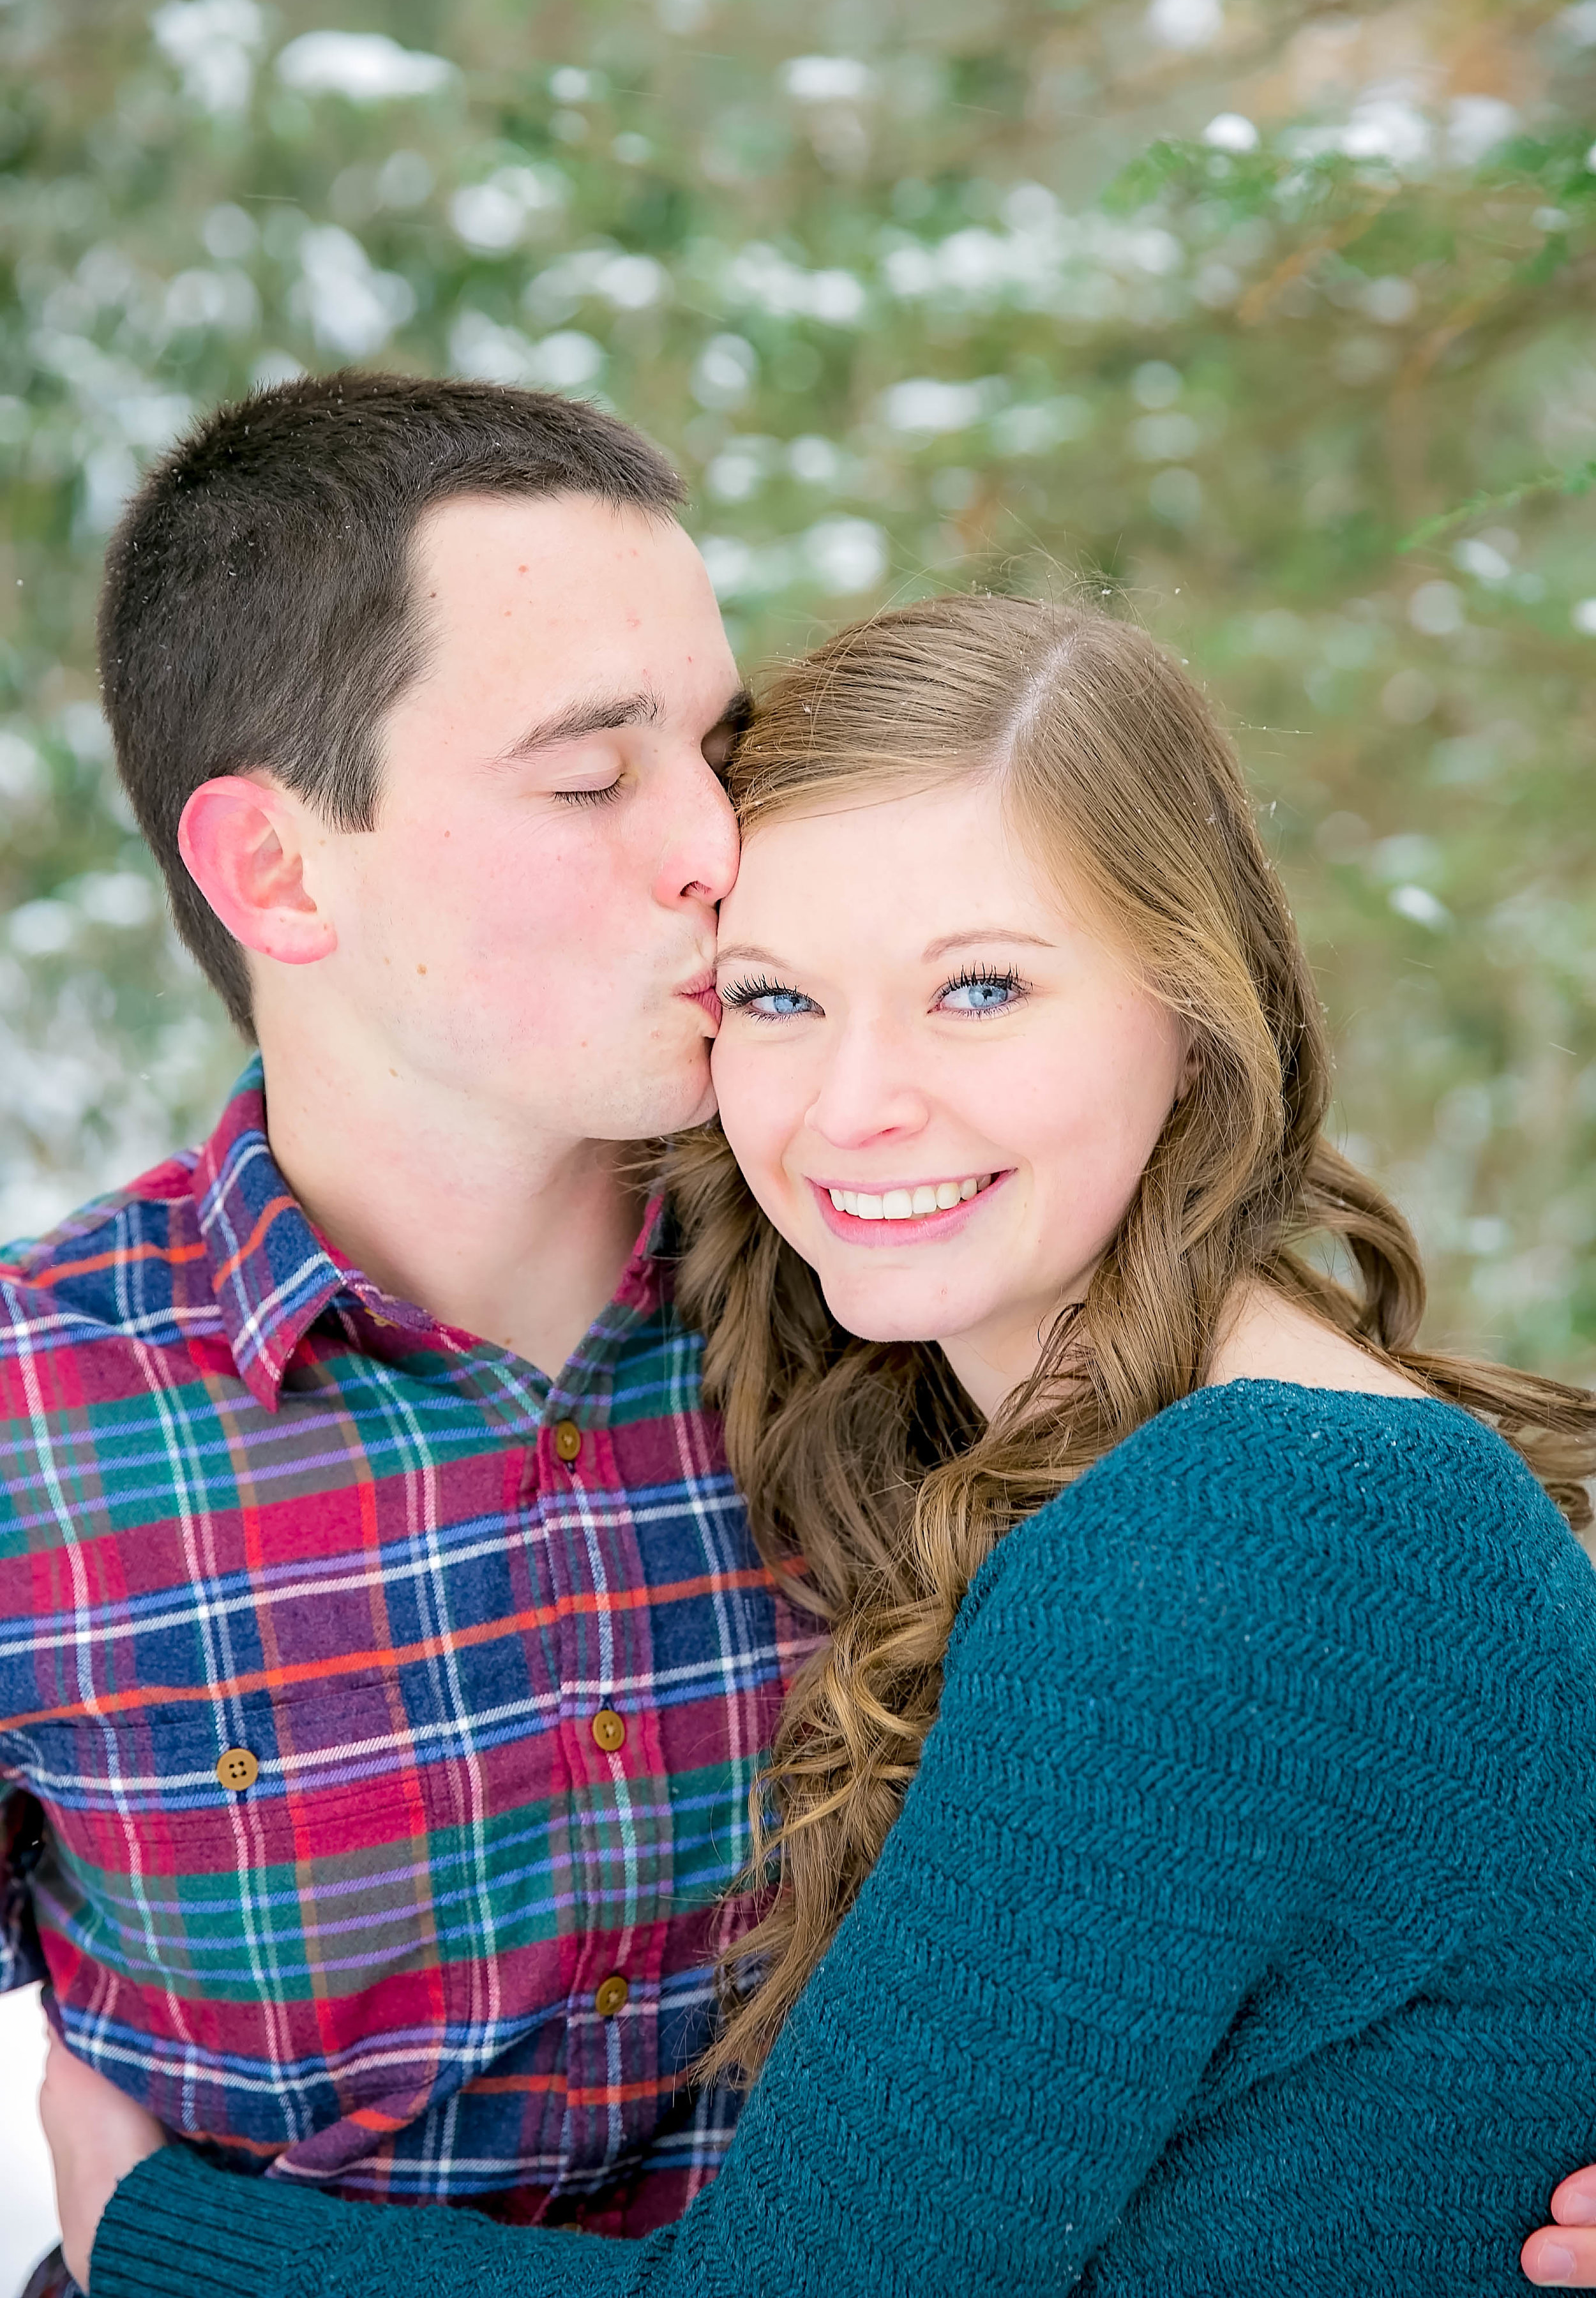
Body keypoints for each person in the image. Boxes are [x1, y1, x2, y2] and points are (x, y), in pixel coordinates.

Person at [46, 595, 1596, 2294]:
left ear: (1193, 999)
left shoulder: (1235, 1540)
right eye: (776, 1001)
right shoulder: (1154, 1470)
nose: (855, 1103)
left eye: (981, 988)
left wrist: (150, 2232)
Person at [0, 372, 828, 2294]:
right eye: (591, 772)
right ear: (277, 871)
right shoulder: (38, 1423)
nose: (717, 841)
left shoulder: (909, 1311)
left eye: (720, 745)